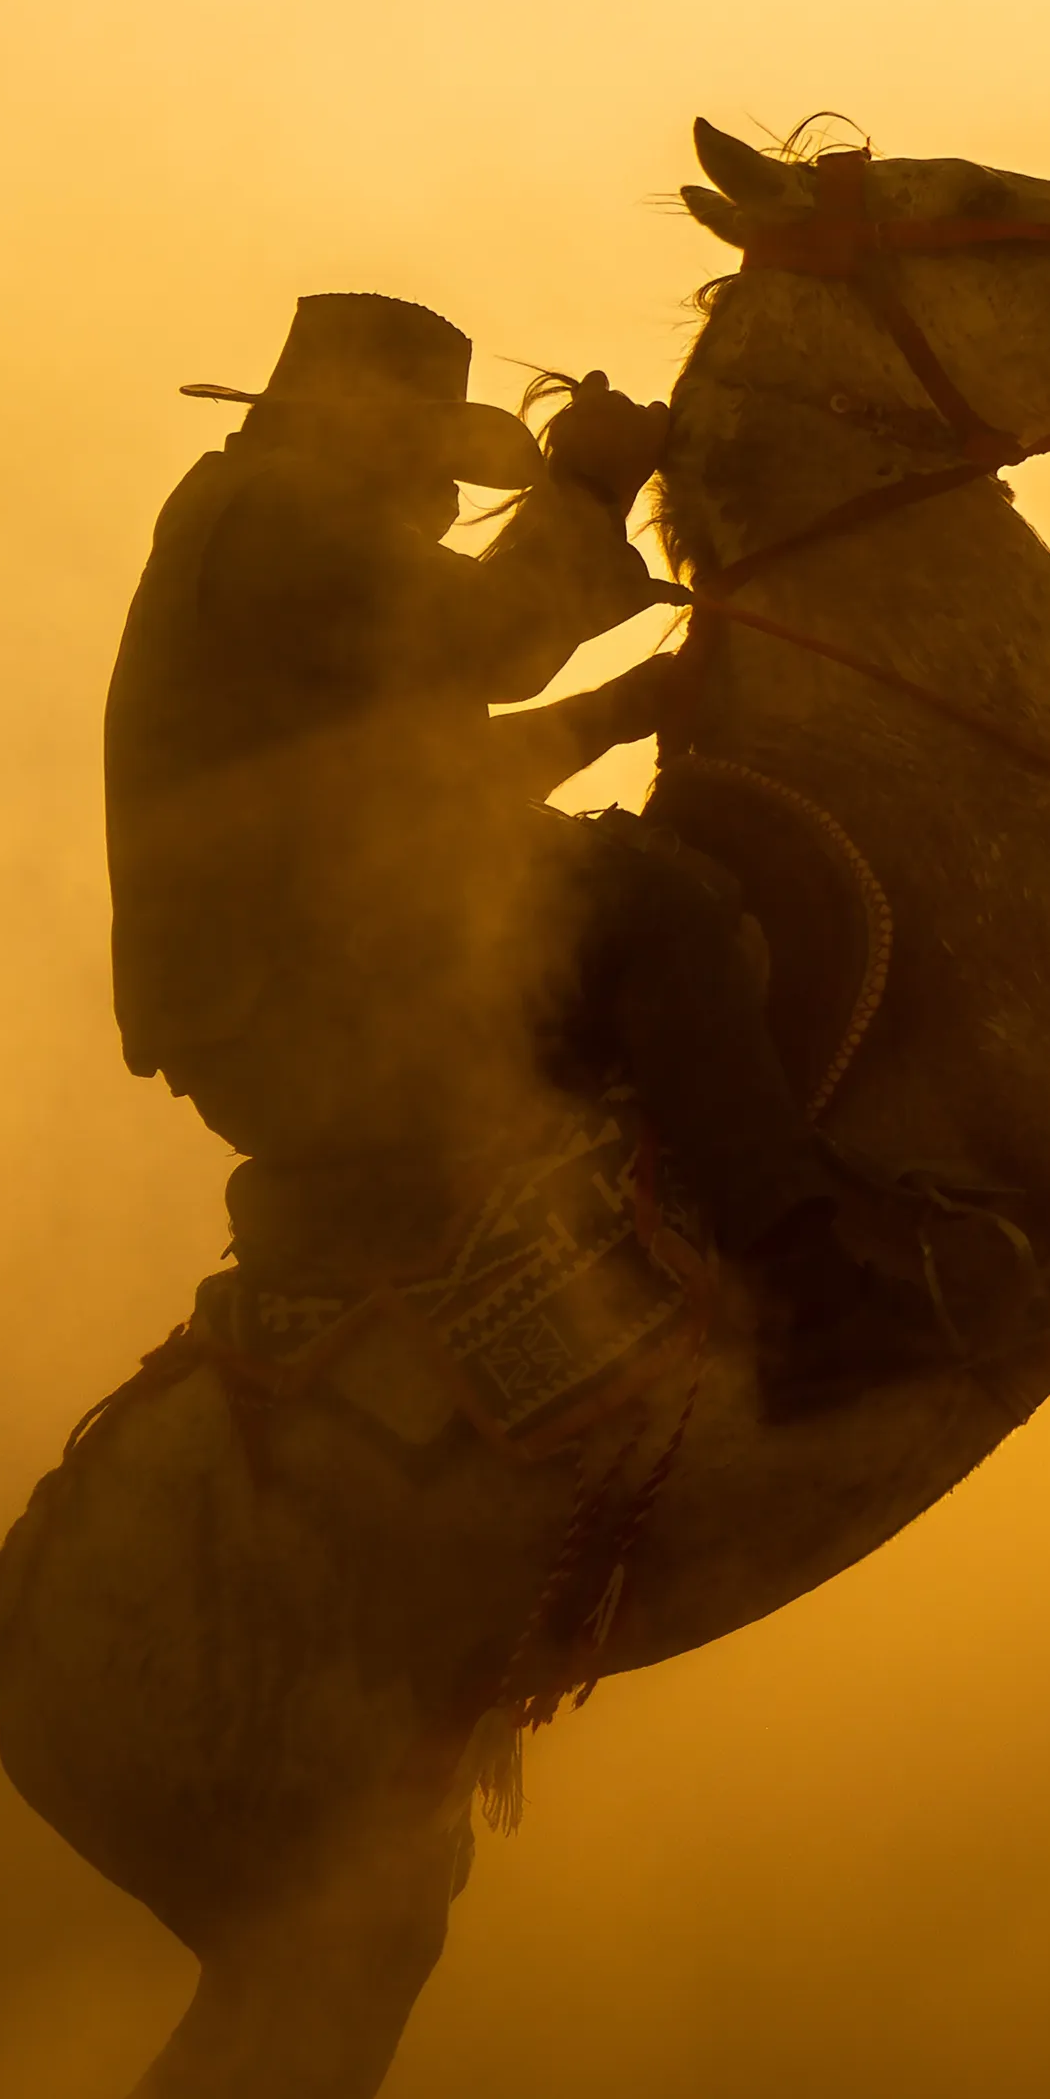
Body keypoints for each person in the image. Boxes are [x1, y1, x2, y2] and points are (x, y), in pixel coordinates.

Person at [103, 290, 955, 1418]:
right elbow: (493, 642)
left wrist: (621, 708)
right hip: (302, 1002)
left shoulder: (258, 521)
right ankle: (806, 1306)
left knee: (623, 887)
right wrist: (592, 486)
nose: (443, 498)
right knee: (655, 905)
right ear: (370, 437)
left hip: (285, 982)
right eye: (428, 457)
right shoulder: (277, 519)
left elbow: (414, 791)